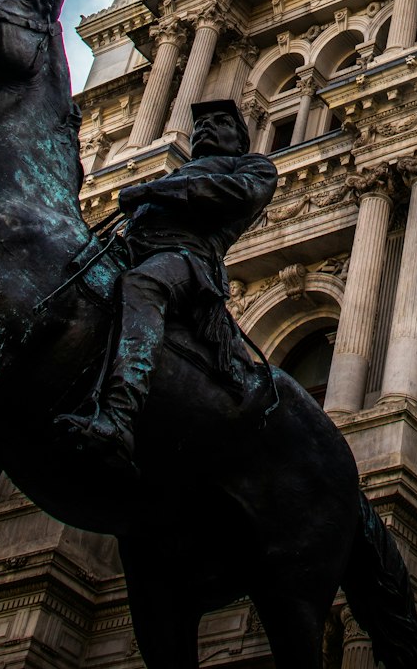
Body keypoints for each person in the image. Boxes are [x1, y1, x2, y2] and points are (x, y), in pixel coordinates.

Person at [58, 100, 277, 472]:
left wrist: (152, 192)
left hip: (187, 262)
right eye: (201, 123)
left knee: (141, 285)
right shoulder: (177, 172)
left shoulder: (252, 166)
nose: (206, 127)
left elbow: (237, 194)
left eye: (220, 122)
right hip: (132, 251)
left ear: (240, 139)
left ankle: (118, 416)